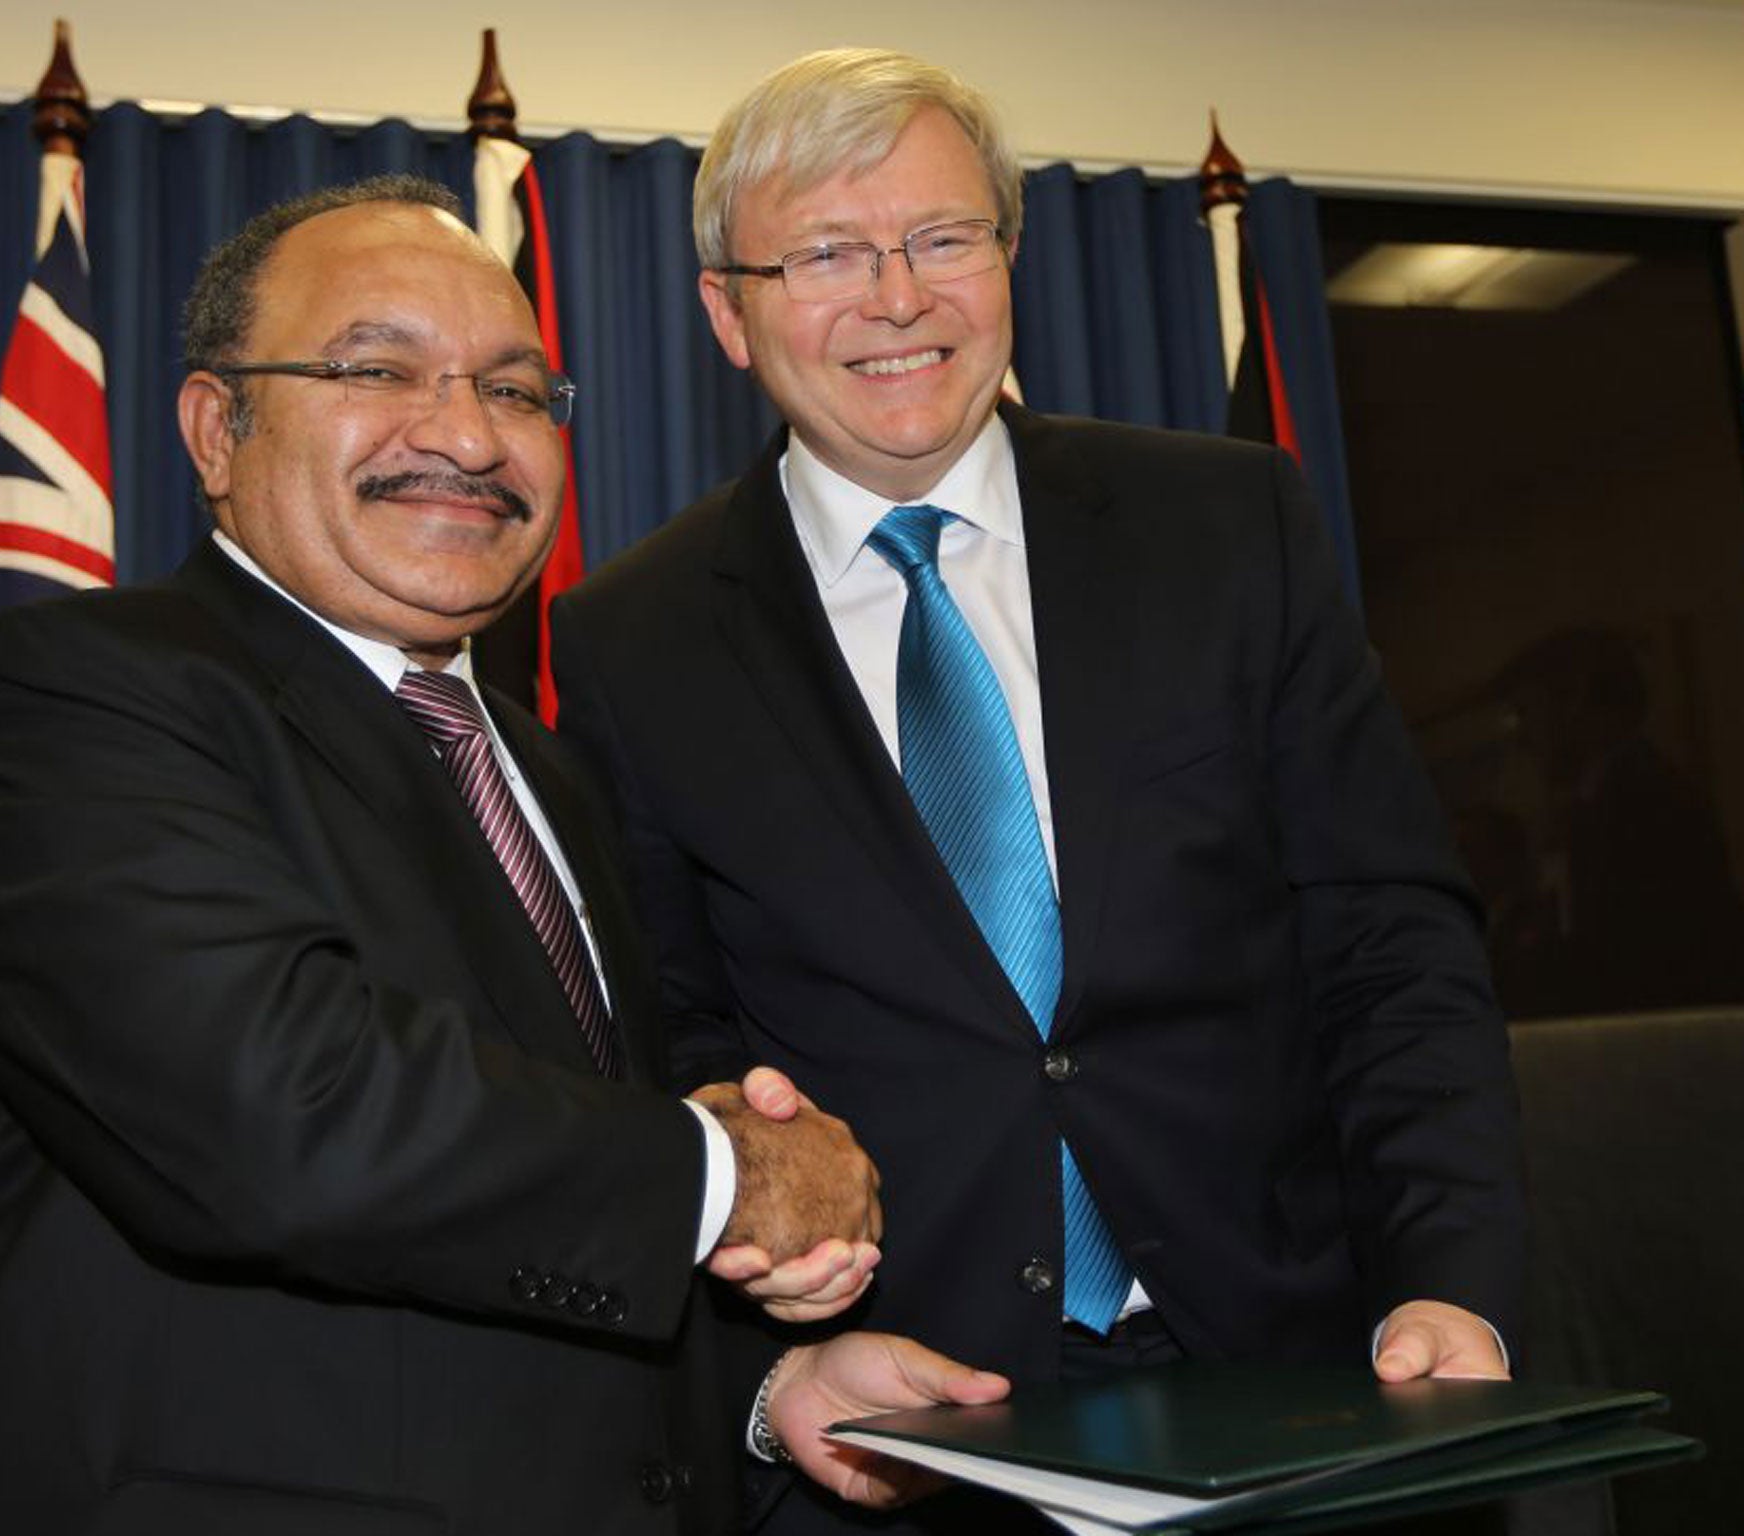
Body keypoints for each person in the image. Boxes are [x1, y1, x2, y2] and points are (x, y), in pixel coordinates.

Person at [0, 174, 1004, 1536]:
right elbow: (287, 1117)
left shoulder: (541, 765)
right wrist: (728, 1180)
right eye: (377, 368)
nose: (468, 437)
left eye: (520, 391)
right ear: (214, 429)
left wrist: (771, 1391)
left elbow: (531, 1221)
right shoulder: (59, 700)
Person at [551, 51, 1526, 1535]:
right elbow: (673, 1032)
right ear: (725, 314)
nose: (897, 296)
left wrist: (1454, 1277)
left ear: (1007, 259)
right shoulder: (631, 636)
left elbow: (1393, 946)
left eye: (944, 237)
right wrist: (767, 1290)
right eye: (825, 253)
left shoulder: (1228, 524)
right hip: (904, 1429)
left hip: (1302, 1378)